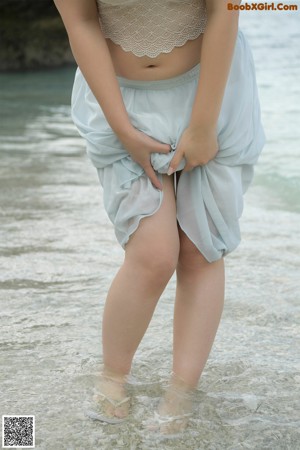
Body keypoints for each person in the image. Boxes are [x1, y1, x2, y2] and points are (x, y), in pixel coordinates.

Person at [54, 0, 265, 437]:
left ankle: (181, 393)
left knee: (200, 248)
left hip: (211, 88)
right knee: (153, 254)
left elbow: (226, 9)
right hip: (121, 101)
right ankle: (113, 377)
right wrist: (123, 129)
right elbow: (81, 21)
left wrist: (204, 124)